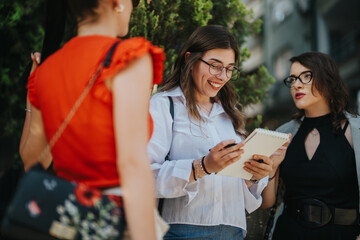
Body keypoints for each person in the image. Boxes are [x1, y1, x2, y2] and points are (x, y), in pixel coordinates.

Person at [18, 0, 165, 239]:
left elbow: (33, 161)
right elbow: (132, 165)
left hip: (64, 217)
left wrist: (32, 97)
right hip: (111, 217)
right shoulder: (127, 57)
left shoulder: (46, 70)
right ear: (117, 3)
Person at [147, 25, 275, 240]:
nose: (222, 76)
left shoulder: (230, 115)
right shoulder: (164, 105)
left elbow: (240, 189)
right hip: (181, 232)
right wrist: (202, 167)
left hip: (233, 230)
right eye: (215, 65)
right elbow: (145, 177)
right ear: (190, 59)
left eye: (229, 68)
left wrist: (254, 175)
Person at [261, 52, 360, 239]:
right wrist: (271, 168)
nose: (296, 84)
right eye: (292, 79)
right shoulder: (283, 133)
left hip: (341, 234)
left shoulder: (356, 130)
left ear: (328, 80)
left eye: (306, 76)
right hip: (288, 232)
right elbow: (267, 202)